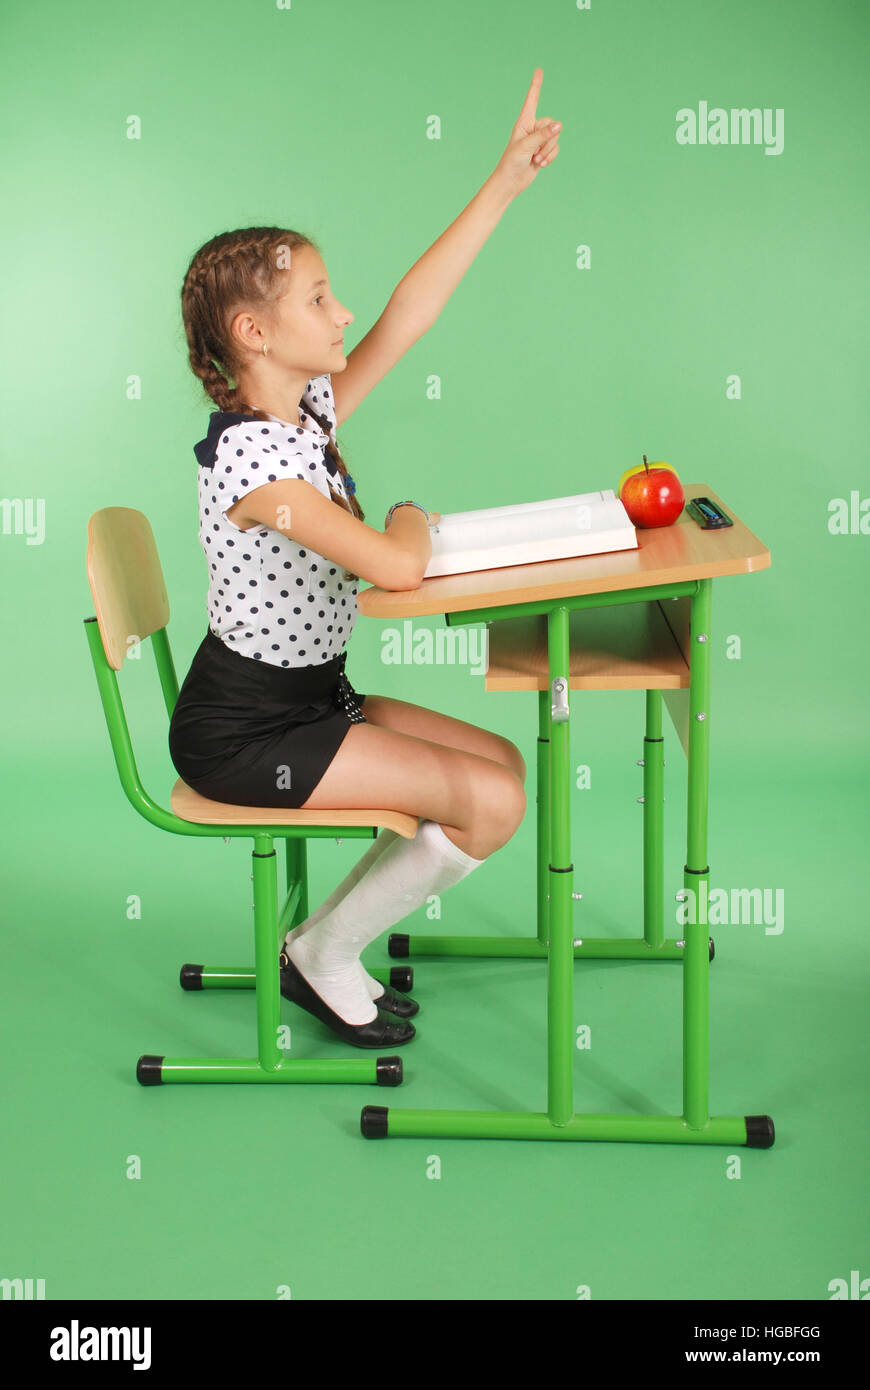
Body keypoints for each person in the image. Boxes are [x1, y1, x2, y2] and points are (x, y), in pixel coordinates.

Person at [168, 69, 562, 1050]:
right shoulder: (258, 465)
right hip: (243, 730)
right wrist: (409, 513)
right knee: (494, 802)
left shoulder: (300, 411)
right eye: (318, 297)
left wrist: (504, 183)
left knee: (502, 766)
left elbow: (409, 313)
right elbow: (393, 566)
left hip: (313, 698)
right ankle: (326, 952)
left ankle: (323, 940)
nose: (342, 313)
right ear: (254, 333)